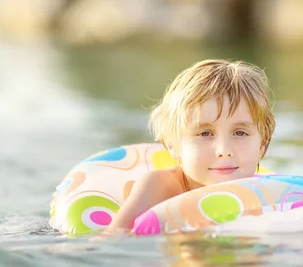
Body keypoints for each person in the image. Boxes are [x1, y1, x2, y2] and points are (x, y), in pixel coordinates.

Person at [105, 59, 276, 233]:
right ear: (173, 146)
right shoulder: (159, 186)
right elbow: (115, 240)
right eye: (205, 133)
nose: (224, 151)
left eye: (240, 133)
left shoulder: (270, 193)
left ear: (262, 145)